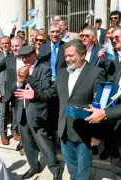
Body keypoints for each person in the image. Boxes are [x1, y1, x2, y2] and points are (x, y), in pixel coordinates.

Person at [15, 39, 106, 180]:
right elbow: (50, 93)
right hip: (64, 130)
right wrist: (34, 95)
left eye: (71, 55)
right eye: (66, 56)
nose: (67, 59)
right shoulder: (62, 73)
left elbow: (100, 105)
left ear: (82, 54)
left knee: (83, 171)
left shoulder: (96, 73)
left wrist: (97, 134)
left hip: (84, 131)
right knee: (72, 168)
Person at [15, 45, 62, 180]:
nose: (25, 60)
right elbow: (15, 90)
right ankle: (34, 166)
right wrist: (19, 81)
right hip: (22, 112)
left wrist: (28, 78)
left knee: (44, 143)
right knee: (28, 142)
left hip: (37, 113)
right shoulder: (21, 69)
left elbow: (44, 88)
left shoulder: (44, 68)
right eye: (22, 58)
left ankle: (55, 169)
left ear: (34, 54)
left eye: (27, 57)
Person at [84, 60, 121, 179]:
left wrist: (105, 113)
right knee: (116, 163)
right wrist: (102, 95)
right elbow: (114, 84)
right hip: (116, 126)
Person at [0, 36, 19, 145]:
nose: (4, 45)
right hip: (3, 90)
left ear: (10, 44)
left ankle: (14, 132)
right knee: (3, 113)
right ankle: (3, 135)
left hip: (15, 89)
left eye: (6, 43)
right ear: (0, 44)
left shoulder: (15, 56)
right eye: (2, 43)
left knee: (15, 112)